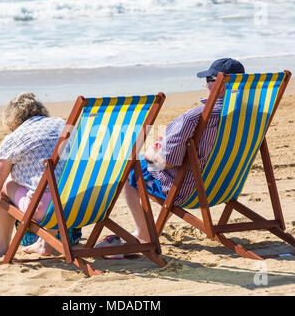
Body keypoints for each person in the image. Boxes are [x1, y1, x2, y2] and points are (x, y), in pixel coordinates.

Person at [96, 58, 245, 248]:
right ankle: (155, 225)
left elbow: (167, 163)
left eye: (210, 78)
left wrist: (150, 153)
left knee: (130, 169)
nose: (206, 83)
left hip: (191, 191)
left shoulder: (195, 118)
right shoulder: (253, 116)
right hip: (225, 185)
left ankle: (143, 233)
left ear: (220, 84)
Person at [0, 92, 72, 258]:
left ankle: (1, 246)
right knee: (57, 180)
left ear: (13, 121)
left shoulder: (16, 137)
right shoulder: (65, 126)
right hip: (88, 203)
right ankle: (44, 242)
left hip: (48, 210)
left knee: (6, 186)